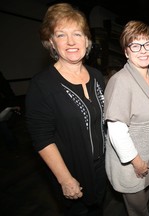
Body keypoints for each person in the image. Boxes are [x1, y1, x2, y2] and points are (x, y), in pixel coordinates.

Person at [25, 3, 107, 216]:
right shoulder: (42, 85)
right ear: (51, 42)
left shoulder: (97, 76)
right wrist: (65, 179)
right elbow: (42, 138)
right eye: (61, 35)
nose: (71, 42)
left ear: (87, 40)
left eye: (77, 34)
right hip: (72, 173)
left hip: (101, 169)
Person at [104, 20, 149, 216]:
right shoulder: (121, 81)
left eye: (147, 44)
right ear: (126, 51)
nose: (143, 50)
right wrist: (137, 162)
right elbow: (117, 132)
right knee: (139, 211)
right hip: (134, 164)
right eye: (135, 45)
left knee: (143, 201)